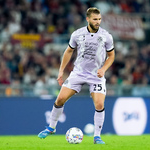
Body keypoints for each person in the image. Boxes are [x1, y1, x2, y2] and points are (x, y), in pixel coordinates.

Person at [38, 7, 115, 144]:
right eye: (95, 19)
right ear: (88, 19)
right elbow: (68, 51)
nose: (98, 22)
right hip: (78, 73)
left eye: (99, 19)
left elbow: (111, 55)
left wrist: (103, 69)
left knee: (99, 103)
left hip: (96, 75)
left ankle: (97, 137)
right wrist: (61, 71)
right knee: (60, 98)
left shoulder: (106, 36)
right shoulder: (77, 34)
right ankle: (51, 127)